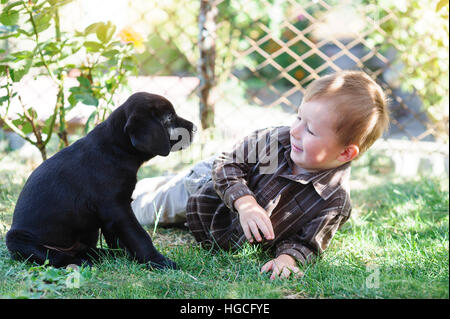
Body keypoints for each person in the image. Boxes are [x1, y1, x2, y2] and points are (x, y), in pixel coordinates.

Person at [131, 70, 390, 280]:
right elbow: (229, 166)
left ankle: (163, 182)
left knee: (169, 209)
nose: (296, 131)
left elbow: (307, 242)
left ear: (346, 153)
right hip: (207, 188)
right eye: (298, 117)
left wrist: (286, 259)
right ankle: (142, 187)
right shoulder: (277, 143)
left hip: (222, 223)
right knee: (143, 209)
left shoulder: (333, 202)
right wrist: (246, 204)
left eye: (310, 130)